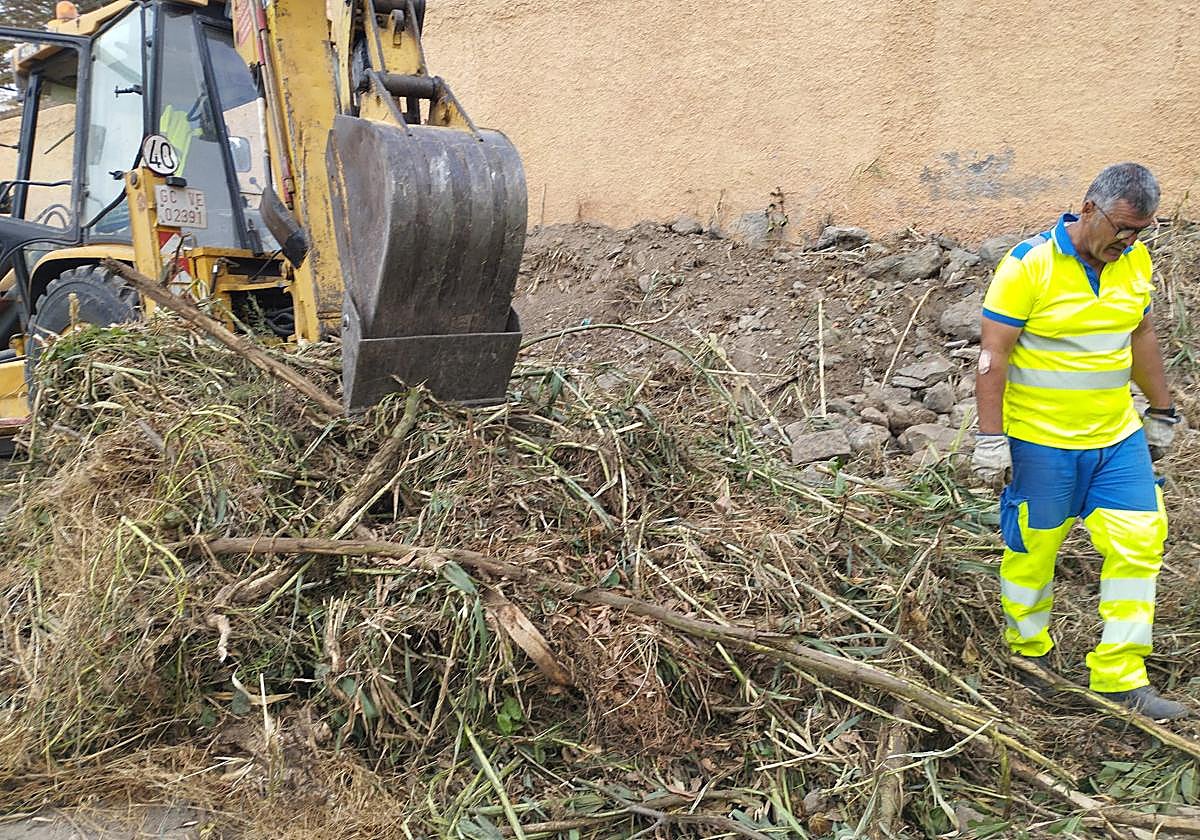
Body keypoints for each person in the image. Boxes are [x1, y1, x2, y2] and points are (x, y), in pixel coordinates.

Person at [971, 162, 1187, 720]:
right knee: (1033, 550)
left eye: (1140, 231)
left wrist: (1161, 409)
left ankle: (1120, 675)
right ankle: (1029, 657)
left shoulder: (1135, 262)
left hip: (1116, 438)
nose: (1129, 240)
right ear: (1088, 209)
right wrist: (991, 439)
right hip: (1041, 441)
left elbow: (1140, 333)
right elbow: (994, 356)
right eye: (1121, 227)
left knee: (1141, 539)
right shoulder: (1028, 266)